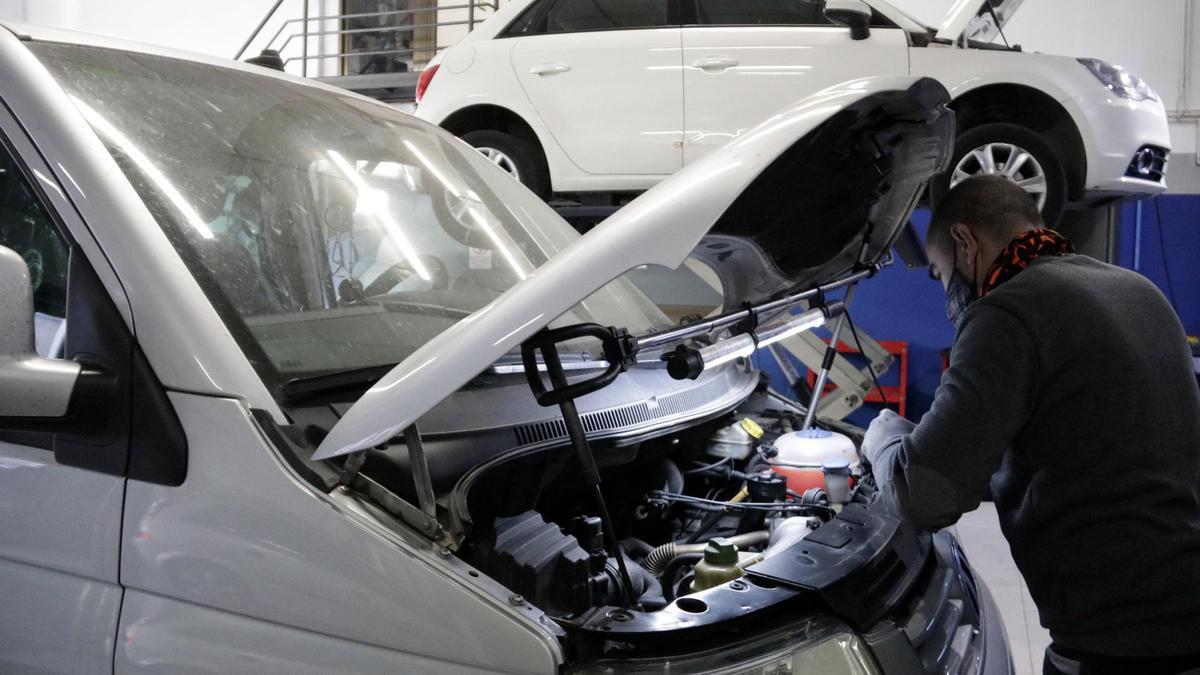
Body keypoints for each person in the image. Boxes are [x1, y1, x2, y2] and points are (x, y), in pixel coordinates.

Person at [861, 175, 1200, 675]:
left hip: (1121, 644)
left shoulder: (1007, 313)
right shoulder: (1137, 290)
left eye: (939, 274)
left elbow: (924, 495)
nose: (947, 293)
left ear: (964, 242)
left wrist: (882, 434)